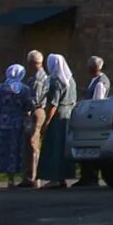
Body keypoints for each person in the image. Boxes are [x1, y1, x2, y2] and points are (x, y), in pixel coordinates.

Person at [34, 50, 76, 189]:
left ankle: (54, 178)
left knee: (54, 147)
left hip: (58, 116)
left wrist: (47, 122)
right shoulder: (71, 80)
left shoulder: (56, 81)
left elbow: (54, 104)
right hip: (68, 115)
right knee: (64, 147)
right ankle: (63, 177)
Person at [73, 56, 113, 187]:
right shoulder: (95, 80)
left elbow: (97, 101)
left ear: (92, 68)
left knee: (89, 145)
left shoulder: (101, 82)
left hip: (92, 117)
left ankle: (90, 176)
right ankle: (85, 175)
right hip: (90, 115)